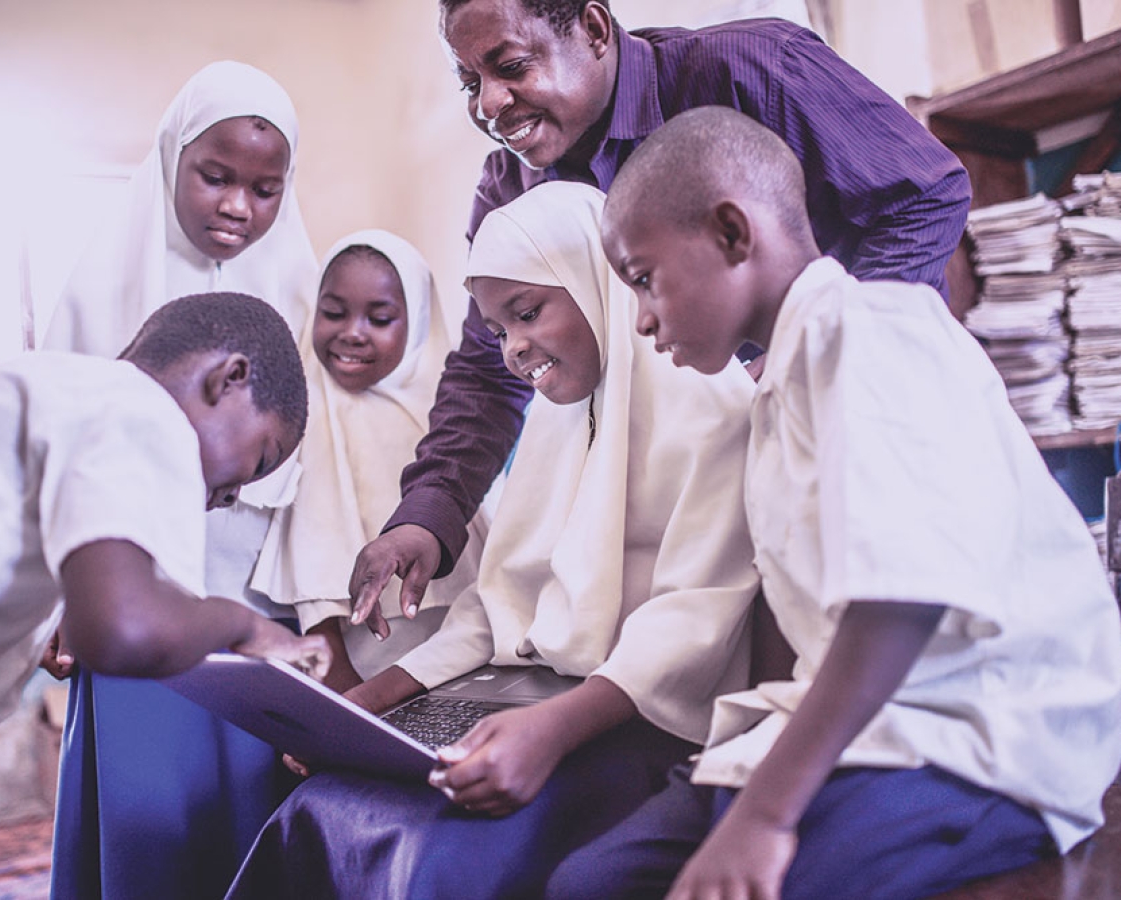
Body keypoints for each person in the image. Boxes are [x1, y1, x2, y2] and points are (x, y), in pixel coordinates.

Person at [541, 106, 1121, 900]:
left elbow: (899, 598)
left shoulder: (870, 328)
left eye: (644, 279)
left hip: (985, 733)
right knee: (590, 885)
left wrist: (765, 816)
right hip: (882, 725)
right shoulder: (784, 380)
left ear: (733, 235)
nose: (641, 318)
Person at [347, 0, 972, 635]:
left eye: (509, 66)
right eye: (469, 81)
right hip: (697, 521)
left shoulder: (752, 70)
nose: (487, 103)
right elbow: (488, 367)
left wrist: (800, 364)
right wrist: (428, 512)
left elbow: (924, 197)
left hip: (852, 449)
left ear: (593, 29)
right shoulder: (512, 184)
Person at [225, 181, 761, 900]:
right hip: (535, 695)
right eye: (498, 328)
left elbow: (692, 625)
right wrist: (366, 706)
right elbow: (500, 601)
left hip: (649, 723)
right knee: (321, 806)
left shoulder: (712, 407)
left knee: (443, 851)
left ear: (596, 281)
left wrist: (550, 731)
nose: (512, 350)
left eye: (527, 313)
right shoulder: (558, 414)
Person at [0, 292, 330, 900]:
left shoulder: (62, 398)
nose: (220, 499)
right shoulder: (141, 410)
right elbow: (119, 632)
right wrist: (240, 626)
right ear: (229, 379)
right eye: (252, 465)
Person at [45, 61, 321, 900]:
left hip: (257, 607)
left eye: (266, 188)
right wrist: (63, 598)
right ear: (172, 160)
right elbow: (61, 466)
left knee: (242, 823)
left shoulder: (312, 296)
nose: (239, 206)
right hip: (133, 605)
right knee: (148, 829)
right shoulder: (96, 291)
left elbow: (325, 480)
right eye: (216, 177)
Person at [251, 230, 491, 692]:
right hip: (359, 677)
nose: (352, 333)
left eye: (379, 318)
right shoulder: (311, 419)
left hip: (467, 666)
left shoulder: (456, 421)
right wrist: (347, 702)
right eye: (334, 313)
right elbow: (313, 585)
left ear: (418, 320)